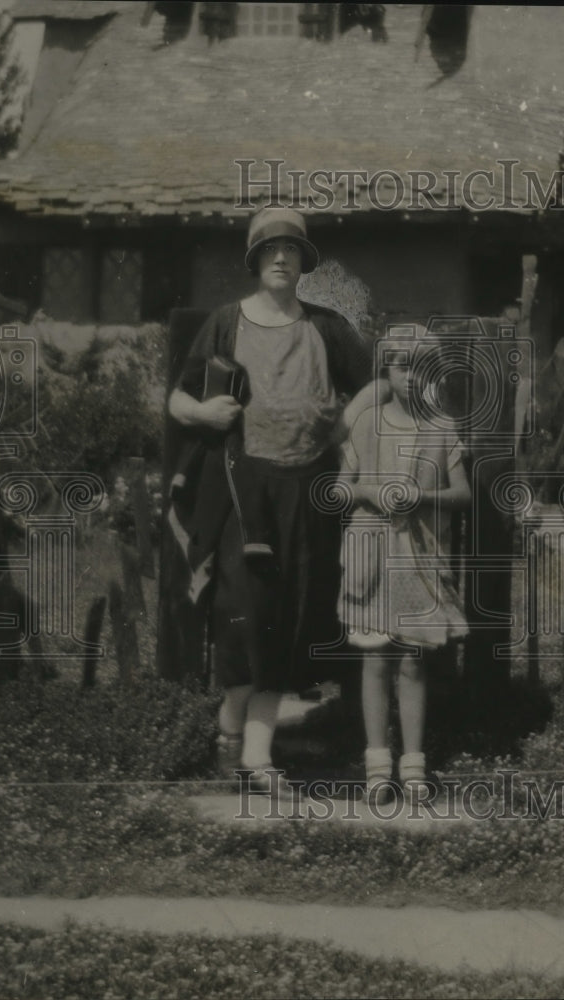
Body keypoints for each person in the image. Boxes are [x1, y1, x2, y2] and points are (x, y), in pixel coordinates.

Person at [167, 206, 372, 794]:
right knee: (243, 611)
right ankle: (231, 733)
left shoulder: (327, 327)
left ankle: (252, 756)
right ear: (255, 260)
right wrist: (203, 412)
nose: (281, 258)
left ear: (304, 263)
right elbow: (178, 400)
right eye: (271, 250)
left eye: (292, 250)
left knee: (287, 615)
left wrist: (339, 429)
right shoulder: (225, 323)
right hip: (241, 486)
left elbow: (375, 385)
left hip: (304, 489)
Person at [337, 333, 470, 803]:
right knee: (375, 659)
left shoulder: (442, 427)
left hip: (419, 558)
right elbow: (338, 489)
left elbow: (463, 494)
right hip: (372, 556)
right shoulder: (367, 424)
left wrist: (423, 497)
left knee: (412, 661)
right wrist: (370, 492)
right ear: (386, 372)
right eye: (401, 366)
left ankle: (413, 767)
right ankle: (377, 767)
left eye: (421, 368)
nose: (411, 377)